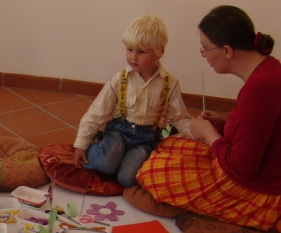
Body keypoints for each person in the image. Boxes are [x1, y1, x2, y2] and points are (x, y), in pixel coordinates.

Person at [134, 5, 281, 233]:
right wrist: (225, 123)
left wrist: (208, 133)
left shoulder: (260, 88)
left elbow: (241, 168)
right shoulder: (269, 69)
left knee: (151, 172)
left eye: (205, 47)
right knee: (170, 144)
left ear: (227, 51)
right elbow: (260, 125)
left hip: (264, 189)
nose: (204, 55)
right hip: (275, 168)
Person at [72, 15, 193, 188]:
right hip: (118, 134)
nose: (133, 57)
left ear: (159, 53)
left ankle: (118, 162)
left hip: (144, 142)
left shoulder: (169, 83)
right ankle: (99, 148)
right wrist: (81, 144)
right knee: (105, 162)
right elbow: (96, 113)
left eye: (141, 52)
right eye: (129, 50)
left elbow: (180, 118)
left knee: (127, 179)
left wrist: (199, 134)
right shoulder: (119, 80)